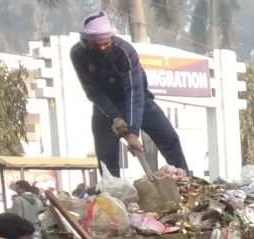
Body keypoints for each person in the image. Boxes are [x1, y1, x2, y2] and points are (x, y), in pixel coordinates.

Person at [70, 11, 189, 177]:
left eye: (106, 44)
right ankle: (114, 192)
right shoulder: (78, 54)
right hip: (105, 105)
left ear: (111, 39)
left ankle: (185, 181)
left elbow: (134, 91)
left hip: (138, 101)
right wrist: (115, 117)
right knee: (105, 156)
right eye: (97, 45)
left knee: (170, 138)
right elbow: (93, 91)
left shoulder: (125, 51)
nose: (103, 48)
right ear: (86, 42)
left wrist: (132, 132)